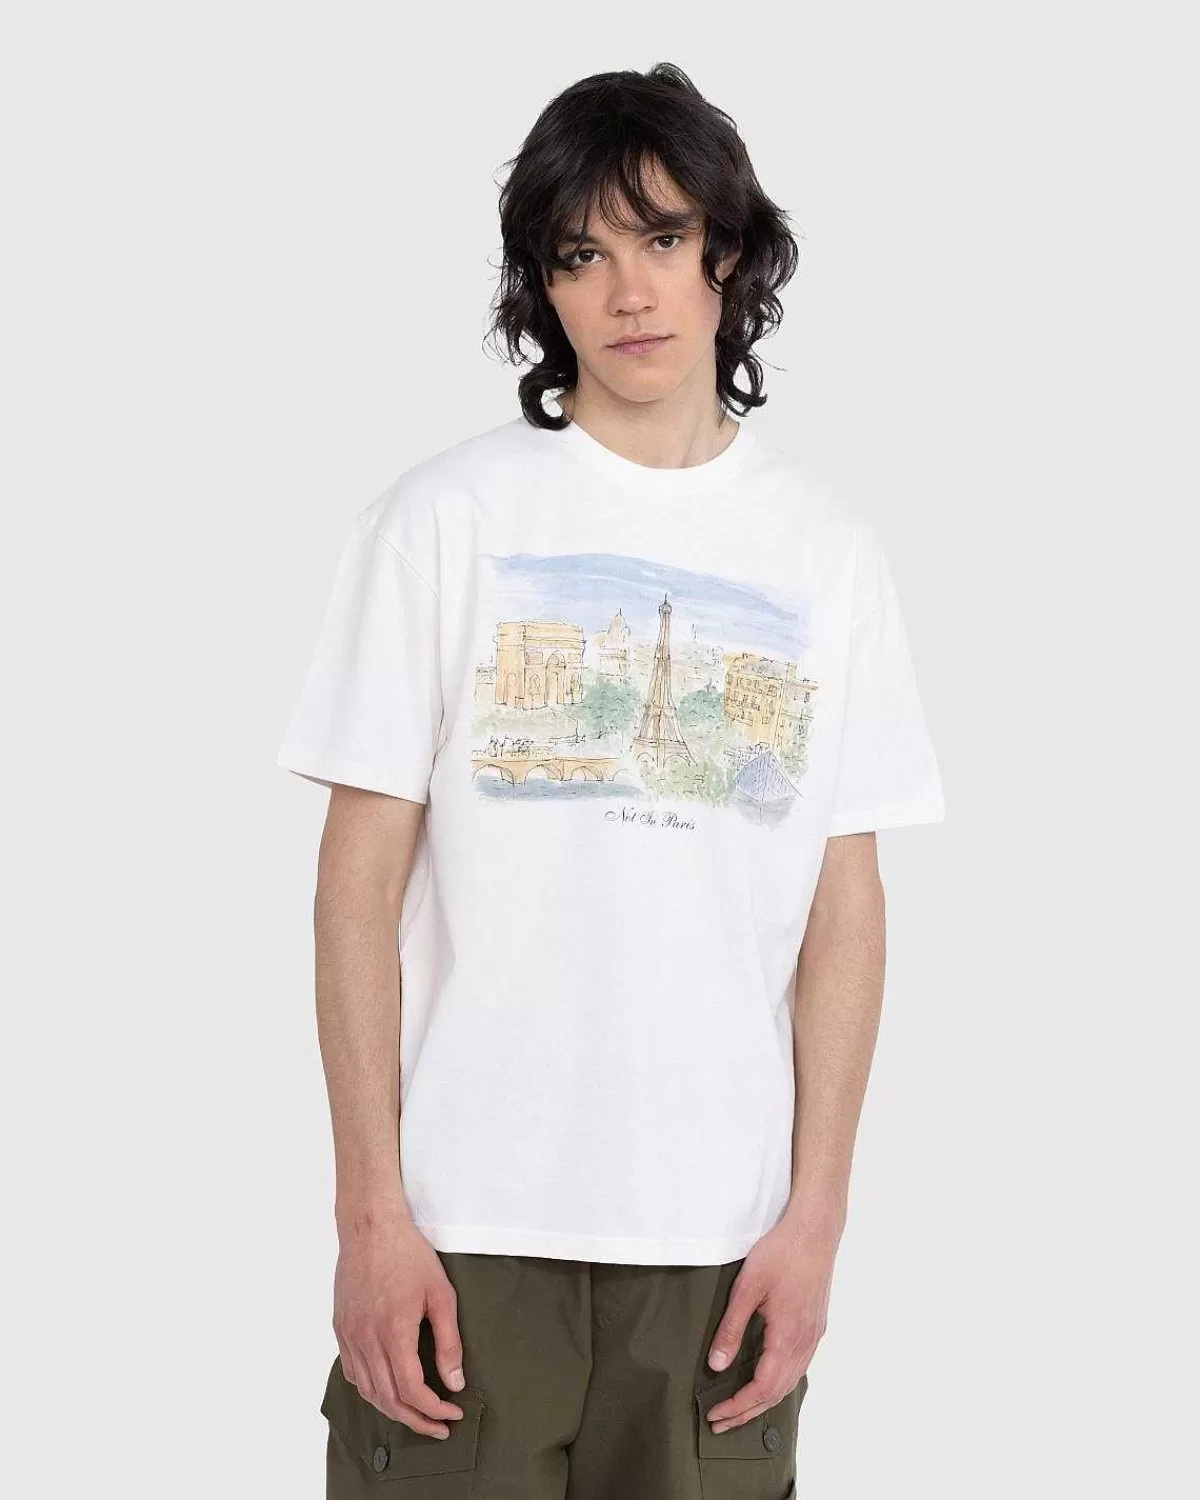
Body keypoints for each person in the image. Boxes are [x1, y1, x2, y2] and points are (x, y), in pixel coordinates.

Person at [277, 61, 944, 1500]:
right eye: (581, 255)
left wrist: (819, 1217)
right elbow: (353, 894)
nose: (629, 291)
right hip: (464, 1231)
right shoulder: (439, 523)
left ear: (728, 254)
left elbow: (846, 908)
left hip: (722, 1247)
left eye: (662, 237)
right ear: (544, 289)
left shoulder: (828, 550)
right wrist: (371, 1214)